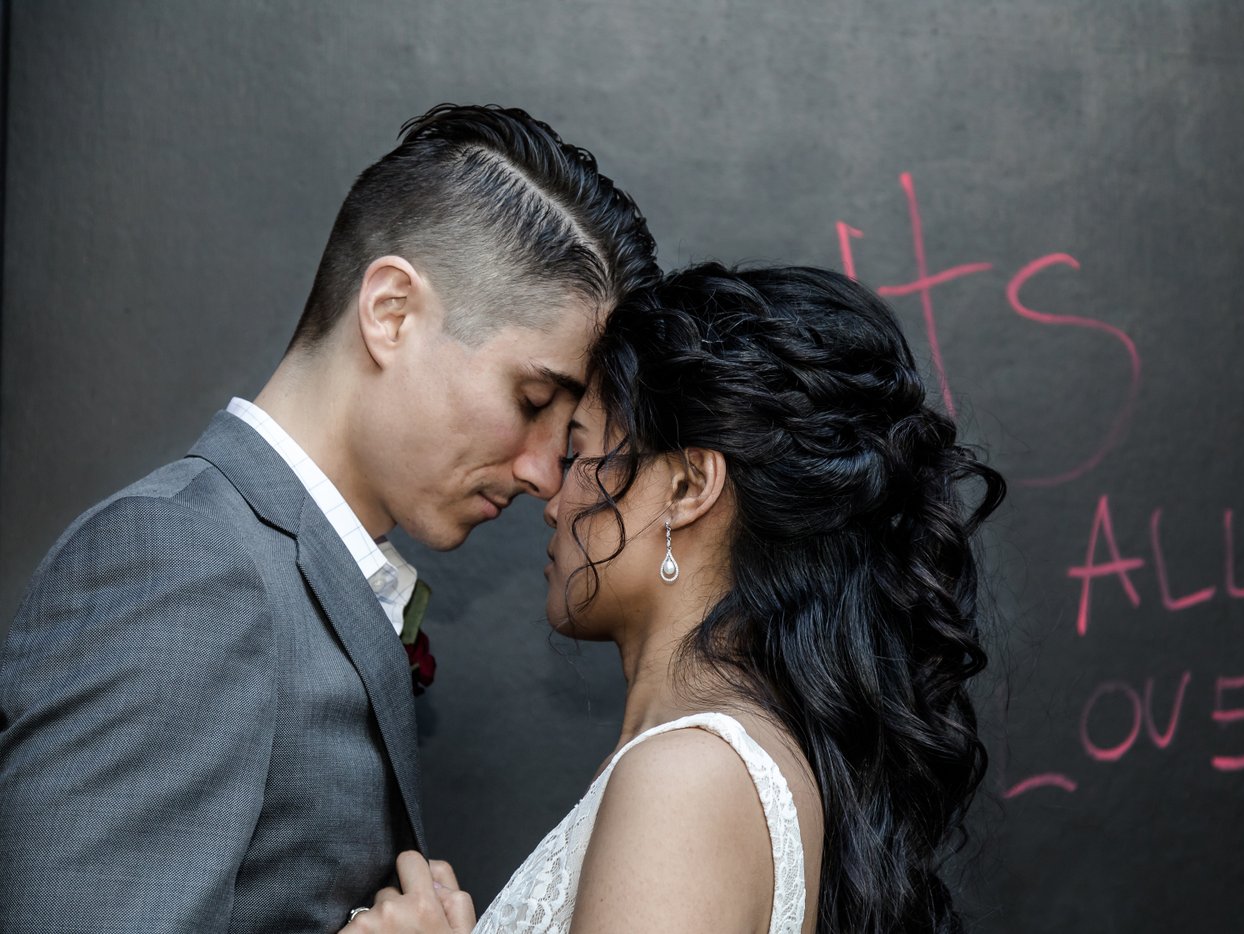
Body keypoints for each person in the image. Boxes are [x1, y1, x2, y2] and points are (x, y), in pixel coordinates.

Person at [0, 103, 657, 933]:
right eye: (530, 400)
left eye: (564, 436)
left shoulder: (274, 569)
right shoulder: (179, 565)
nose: (541, 473)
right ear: (389, 312)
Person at [347, 263, 1006, 933]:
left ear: (689, 487)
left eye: (579, 453)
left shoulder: (686, 780)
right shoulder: (705, 765)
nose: (551, 497)